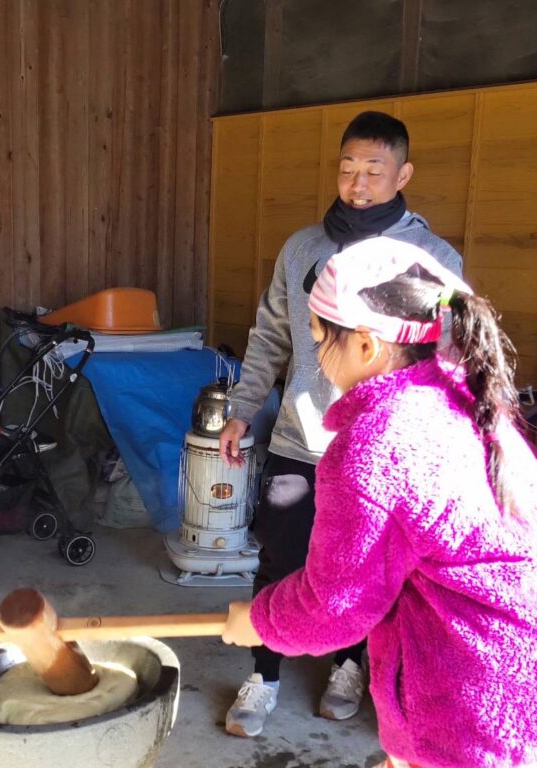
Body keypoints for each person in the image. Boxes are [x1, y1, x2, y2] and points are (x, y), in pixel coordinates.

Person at [222, 238, 537, 768]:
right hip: (510, 686)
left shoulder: (376, 446)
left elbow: (335, 606)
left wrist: (260, 621)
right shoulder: (462, 399)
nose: (317, 359)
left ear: (366, 347)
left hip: (463, 710)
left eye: (319, 341)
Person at [217, 111, 463, 737]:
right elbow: (270, 334)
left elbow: (448, 359)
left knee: (365, 568)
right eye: (348, 168)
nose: (358, 183)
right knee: (280, 555)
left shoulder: (431, 259)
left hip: (384, 450)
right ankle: (264, 674)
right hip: (302, 437)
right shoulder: (303, 248)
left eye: (374, 170)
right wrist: (242, 409)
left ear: (403, 174)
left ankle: (348, 666)